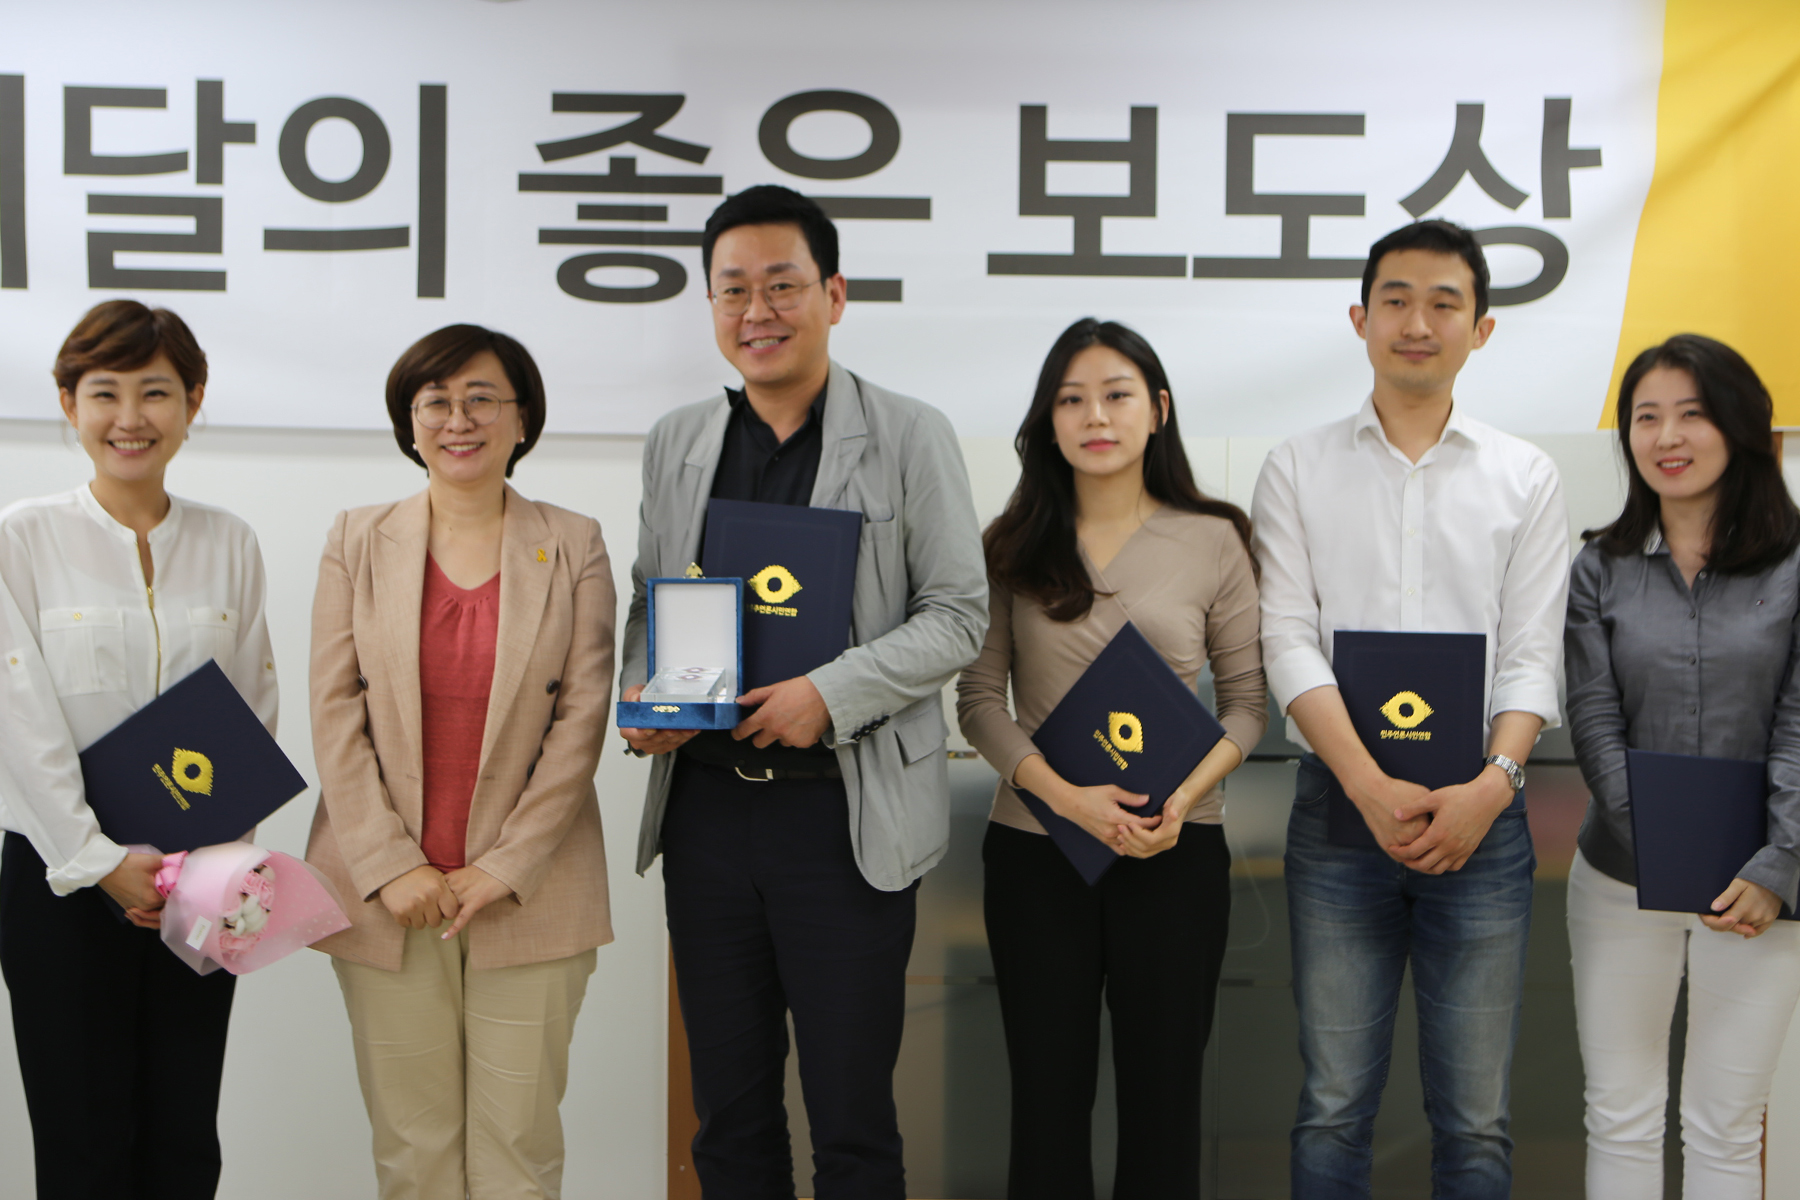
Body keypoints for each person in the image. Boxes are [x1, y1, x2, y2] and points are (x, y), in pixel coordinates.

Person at [619, 184, 987, 1199]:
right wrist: (645, 695)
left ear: (834, 295)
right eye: (732, 289)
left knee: (852, 1122)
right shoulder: (677, 440)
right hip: (706, 816)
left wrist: (830, 692)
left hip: (844, 818)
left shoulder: (909, 433)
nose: (757, 311)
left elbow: (959, 613)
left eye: (782, 285)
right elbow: (650, 601)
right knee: (729, 1120)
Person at [1250, 219, 1570, 1198]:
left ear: (1482, 328)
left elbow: (1532, 655)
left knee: (1476, 1122)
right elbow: (1285, 640)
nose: (1417, 323)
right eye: (1395, 300)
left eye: (1443, 303)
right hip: (1339, 819)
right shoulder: (1296, 466)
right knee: (1332, 1104)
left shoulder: (1526, 476)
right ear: (1360, 319)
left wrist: (1492, 786)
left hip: (1485, 822)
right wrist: (1366, 782)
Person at [956, 318, 1266, 1200]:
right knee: (1046, 1105)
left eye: (1117, 395)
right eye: (1072, 399)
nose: (1096, 415)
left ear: (1158, 409)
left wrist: (1180, 800)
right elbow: (978, 702)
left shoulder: (1215, 538)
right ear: (1048, 422)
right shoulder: (1011, 543)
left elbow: (1247, 705)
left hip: (1173, 851)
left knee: (1165, 1107)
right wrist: (1067, 800)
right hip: (1036, 852)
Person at [306, 325, 615, 1200]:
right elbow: (334, 711)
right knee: (414, 1153)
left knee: (519, 1150)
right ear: (410, 423)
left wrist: (508, 864)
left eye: (482, 399)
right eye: (435, 401)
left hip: (533, 889)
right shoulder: (356, 538)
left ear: (522, 418)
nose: (458, 419)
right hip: (388, 896)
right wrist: (388, 864)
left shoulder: (575, 542)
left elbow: (581, 719)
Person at [0, 300, 276, 1199]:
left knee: (184, 1136)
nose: (130, 417)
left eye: (155, 392)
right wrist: (98, 860)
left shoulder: (229, 540)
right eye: (105, 392)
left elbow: (252, 701)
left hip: (195, 885)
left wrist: (213, 858)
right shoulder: (21, 537)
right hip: (60, 880)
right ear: (69, 404)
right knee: (82, 1144)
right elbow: (19, 718)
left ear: (192, 403)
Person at [1564, 334, 1800, 1198]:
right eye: (1646, 417)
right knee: (1620, 1115)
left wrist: (1777, 864)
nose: (1666, 436)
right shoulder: (1600, 566)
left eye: (1691, 415)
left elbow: (1799, 724)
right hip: (1619, 876)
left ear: (1739, 426)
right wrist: (1667, 847)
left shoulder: (1795, 563)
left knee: (1727, 1127)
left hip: (1764, 888)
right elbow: (1595, 719)